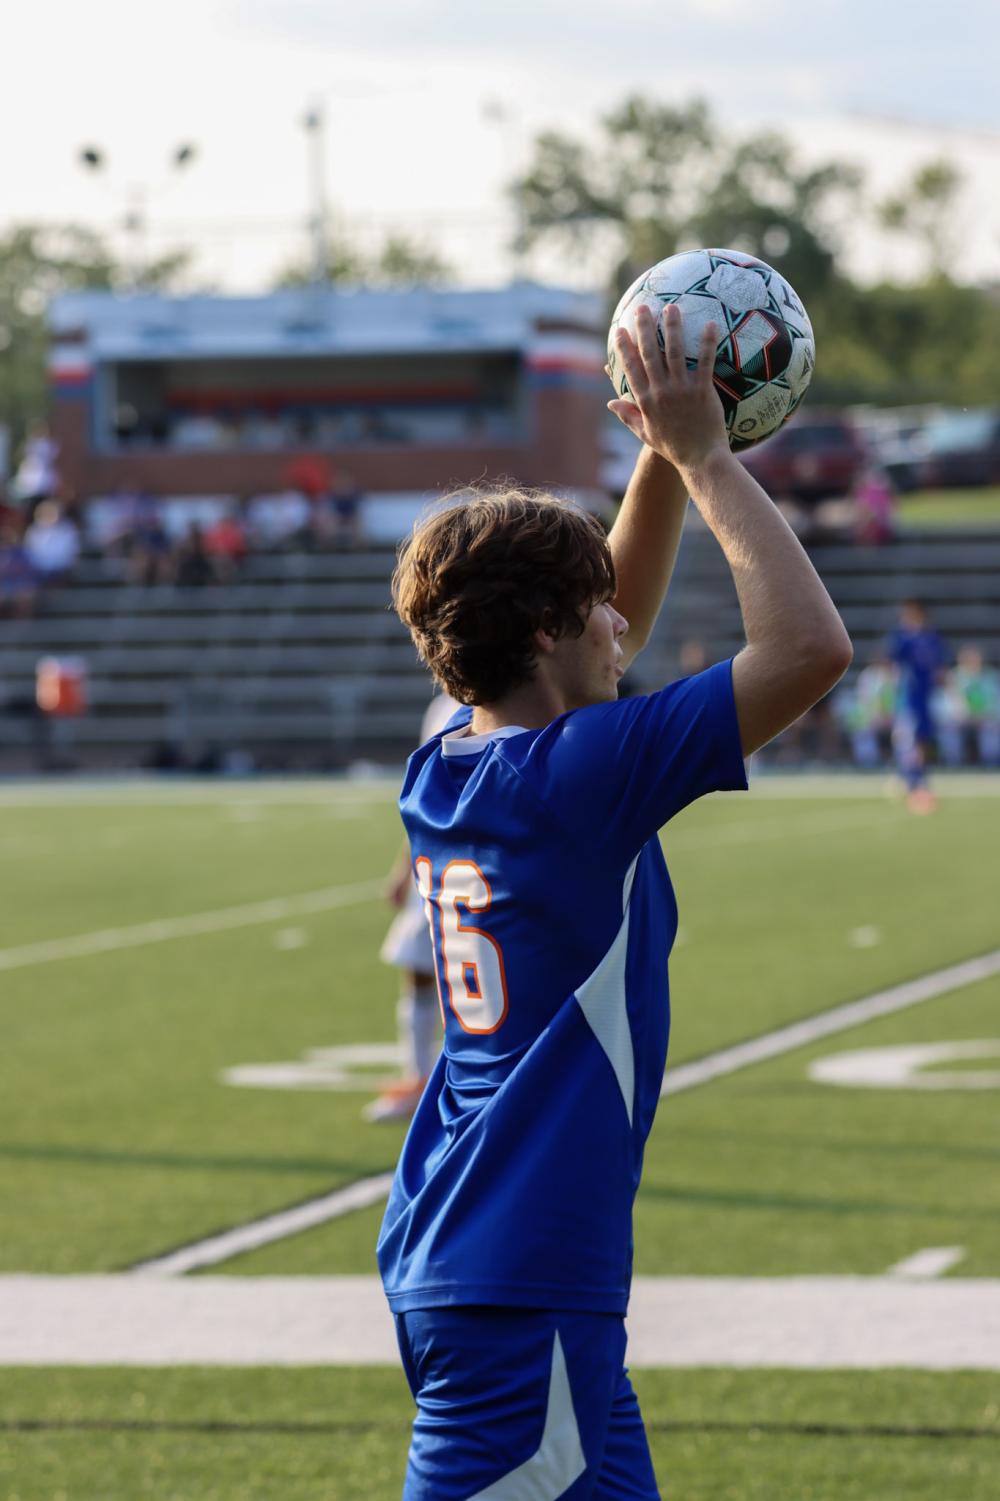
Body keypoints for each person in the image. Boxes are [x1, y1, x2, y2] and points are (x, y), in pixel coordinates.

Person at [376, 302, 852, 1497]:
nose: (621, 626)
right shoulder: (575, 776)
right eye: (594, 612)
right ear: (544, 634)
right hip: (519, 1277)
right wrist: (701, 457)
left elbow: (602, 622)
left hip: (488, 1260)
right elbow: (806, 649)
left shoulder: (452, 763)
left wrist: (650, 445)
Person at [364, 691, 459, 1124]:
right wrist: (405, 869)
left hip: (463, 860)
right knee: (419, 970)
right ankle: (420, 1078)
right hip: (435, 857)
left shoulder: (497, 700)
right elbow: (426, 794)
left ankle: (440, 1082)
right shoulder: (443, 707)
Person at [887, 599, 950, 813]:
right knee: (906, 739)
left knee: (922, 738)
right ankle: (911, 779)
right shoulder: (901, 638)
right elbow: (894, 667)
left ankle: (918, 777)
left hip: (926, 696)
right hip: (908, 697)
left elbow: (940, 667)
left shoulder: (932, 638)